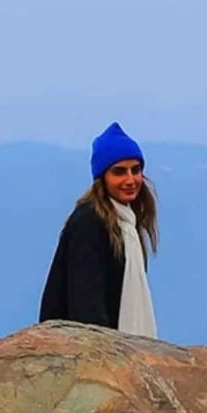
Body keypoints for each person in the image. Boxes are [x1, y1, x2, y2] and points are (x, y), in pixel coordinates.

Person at [39, 122, 158, 337]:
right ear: (102, 177)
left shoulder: (128, 224)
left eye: (136, 170)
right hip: (83, 347)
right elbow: (86, 300)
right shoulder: (88, 223)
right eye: (119, 172)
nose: (130, 180)